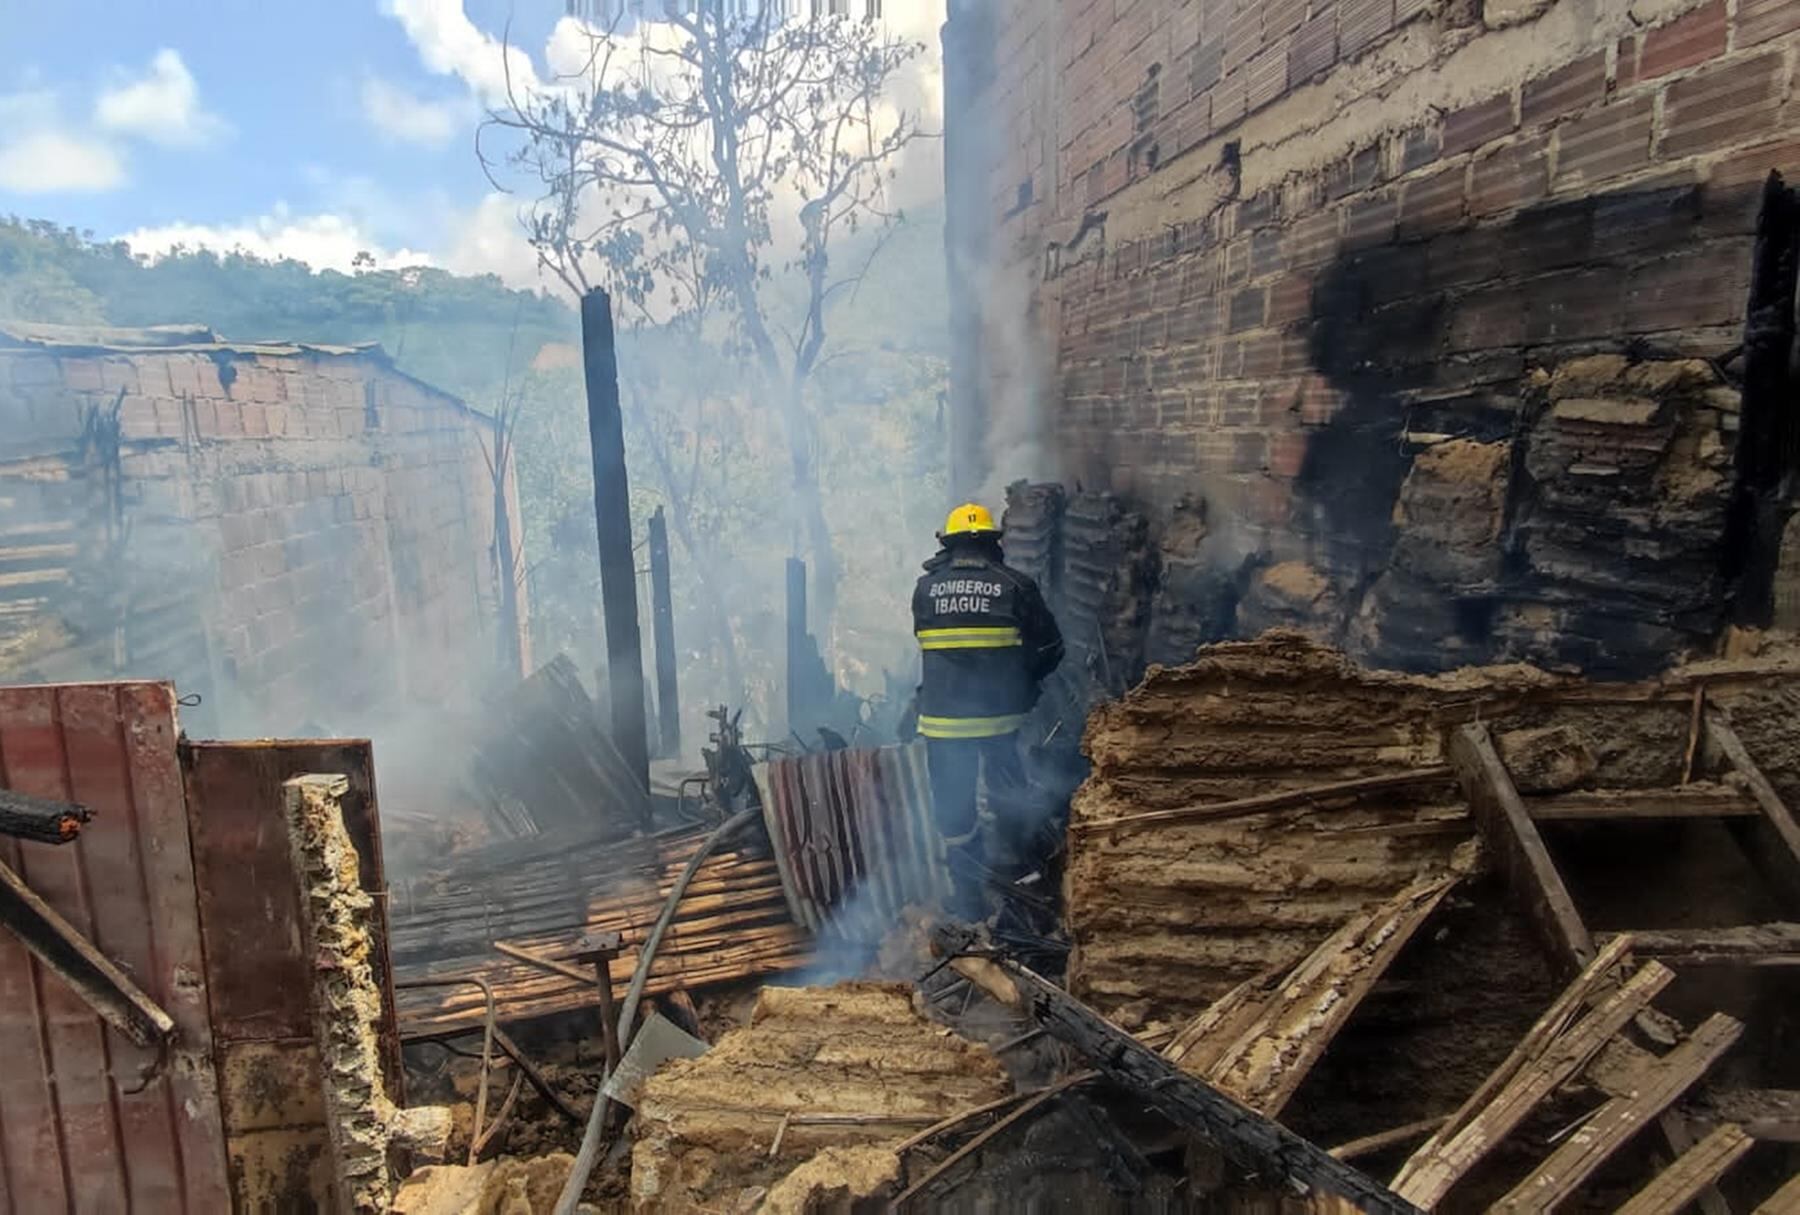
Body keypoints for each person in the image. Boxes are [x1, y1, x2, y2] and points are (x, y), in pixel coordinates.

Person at [912, 501, 1063, 913]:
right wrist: (1023, 682)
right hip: (1000, 720)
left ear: (949, 545)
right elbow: (1052, 647)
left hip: (943, 723)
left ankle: (968, 898)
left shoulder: (925, 589)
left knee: (955, 812)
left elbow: (930, 647)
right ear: (993, 544)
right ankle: (1024, 881)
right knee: (1009, 794)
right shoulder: (1016, 585)